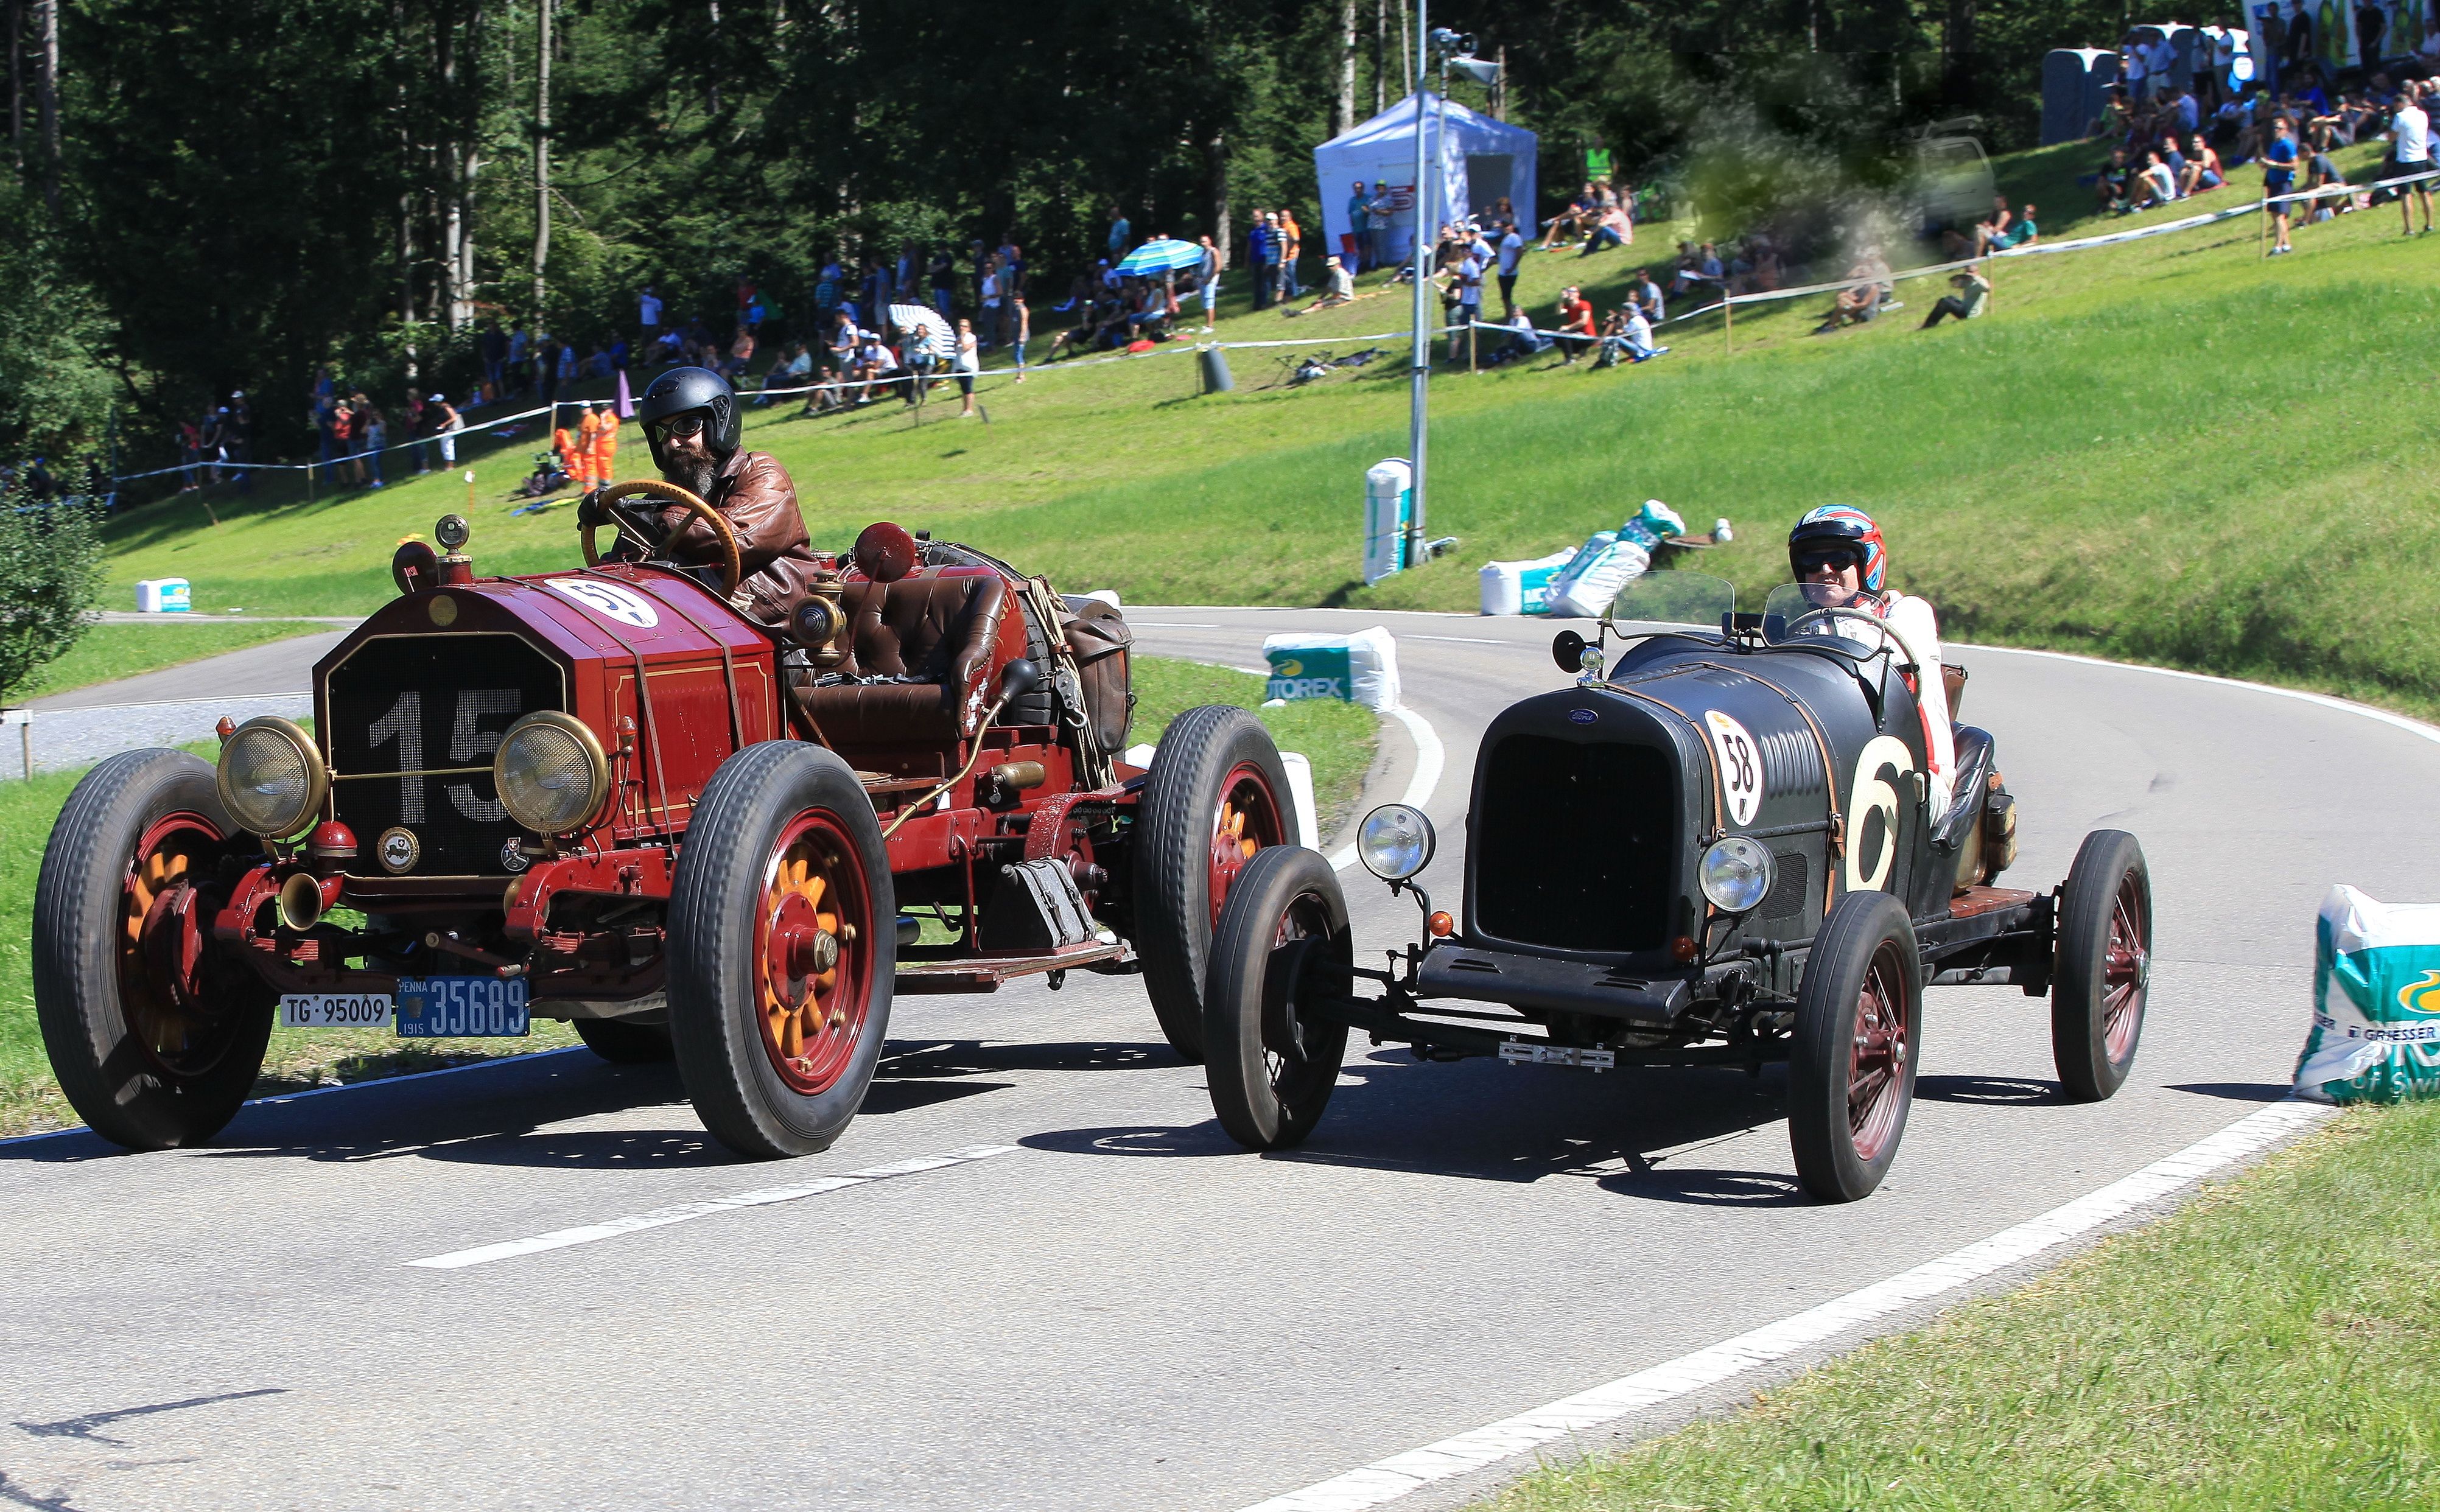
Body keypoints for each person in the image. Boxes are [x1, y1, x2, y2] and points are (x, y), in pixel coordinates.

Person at [583, 366, 819, 623]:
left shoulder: (762, 472)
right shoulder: (666, 497)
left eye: (686, 426)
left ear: (719, 423)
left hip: (778, 622)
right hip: (697, 619)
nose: (673, 443)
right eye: (663, 433)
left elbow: (734, 537)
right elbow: (624, 566)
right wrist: (612, 518)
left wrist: (646, 513)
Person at [1785, 506, 1955, 823]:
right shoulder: (1800, 628)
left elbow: (1889, 663)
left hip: (1910, 766)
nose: (1824, 570)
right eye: (1811, 562)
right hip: (1831, 760)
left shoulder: (1903, 614)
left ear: (1867, 564)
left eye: (1839, 559)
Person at [2385, 83, 2433, 234]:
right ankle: (2430, 223)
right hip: (2422, 157)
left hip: (2405, 159)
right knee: (2424, 192)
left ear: (2399, 104)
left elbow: (2391, 138)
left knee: (2406, 194)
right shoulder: (2422, 114)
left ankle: (2409, 228)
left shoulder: (2400, 117)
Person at [2263, 114, 2299, 253]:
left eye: (2279, 128)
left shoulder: (2287, 145)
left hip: (2284, 183)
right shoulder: (2274, 145)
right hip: (2273, 182)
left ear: (2285, 130)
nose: (2276, 131)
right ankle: (2286, 245)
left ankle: (2277, 247)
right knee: (2275, 215)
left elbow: (2295, 166)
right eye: (2275, 128)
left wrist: (2275, 165)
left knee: (2280, 216)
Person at [1919, 268, 1993, 327]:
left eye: (1970, 272)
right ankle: (1929, 323)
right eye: (1966, 271)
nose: (1967, 274)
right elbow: (1956, 284)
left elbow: (1987, 288)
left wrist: (1975, 277)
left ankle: (1928, 326)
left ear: (1977, 272)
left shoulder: (1980, 282)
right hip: (1964, 307)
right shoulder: (1969, 281)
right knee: (1950, 298)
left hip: (1969, 315)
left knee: (1945, 302)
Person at [1552, 285, 1596, 363]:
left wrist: (1568, 327)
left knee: (1564, 334)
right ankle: (1578, 351)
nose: (1570, 294)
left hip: (1588, 336)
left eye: (1572, 292)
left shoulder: (1584, 304)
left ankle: (1569, 359)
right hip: (1577, 335)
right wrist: (1561, 299)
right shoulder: (1569, 307)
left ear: (1578, 294)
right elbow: (1558, 312)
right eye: (1569, 292)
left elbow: (1584, 321)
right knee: (1557, 339)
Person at [1495, 219, 1524, 319]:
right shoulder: (1506, 238)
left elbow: (1520, 251)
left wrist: (1513, 267)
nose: (1506, 228)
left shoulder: (1514, 237)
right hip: (1503, 272)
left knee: (1507, 297)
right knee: (1505, 298)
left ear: (1512, 226)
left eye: (1507, 226)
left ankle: (1512, 317)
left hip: (1509, 273)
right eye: (1504, 226)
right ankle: (1509, 316)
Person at [952, 318, 980, 417]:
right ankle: (965, 409)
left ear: (969, 328)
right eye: (960, 326)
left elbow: (965, 348)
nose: (962, 328)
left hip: (969, 366)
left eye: (964, 326)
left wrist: (963, 338)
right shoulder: (958, 338)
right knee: (963, 389)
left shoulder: (972, 337)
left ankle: (970, 410)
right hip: (959, 365)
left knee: (968, 388)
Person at [588, 399, 620, 486]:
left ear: (610, 410)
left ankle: (606, 482)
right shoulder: (603, 419)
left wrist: (602, 418)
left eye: (606, 410)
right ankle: (602, 481)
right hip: (601, 446)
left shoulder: (612, 419)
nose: (604, 412)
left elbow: (605, 428)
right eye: (602, 410)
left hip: (608, 445)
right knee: (600, 464)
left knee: (605, 464)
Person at [1344, 180, 1370, 272]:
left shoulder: (1368, 198)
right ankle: (1362, 263)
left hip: (1366, 227)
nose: (1358, 190)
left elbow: (1372, 212)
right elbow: (1351, 214)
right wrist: (1352, 226)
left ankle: (1368, 262)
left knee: (1367, 245)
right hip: (1356, 228)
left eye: (1359, 188)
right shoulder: (1352, 200)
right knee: (1360, 247)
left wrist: (1366, 210)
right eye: (1356, 188)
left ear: (1363, 189)